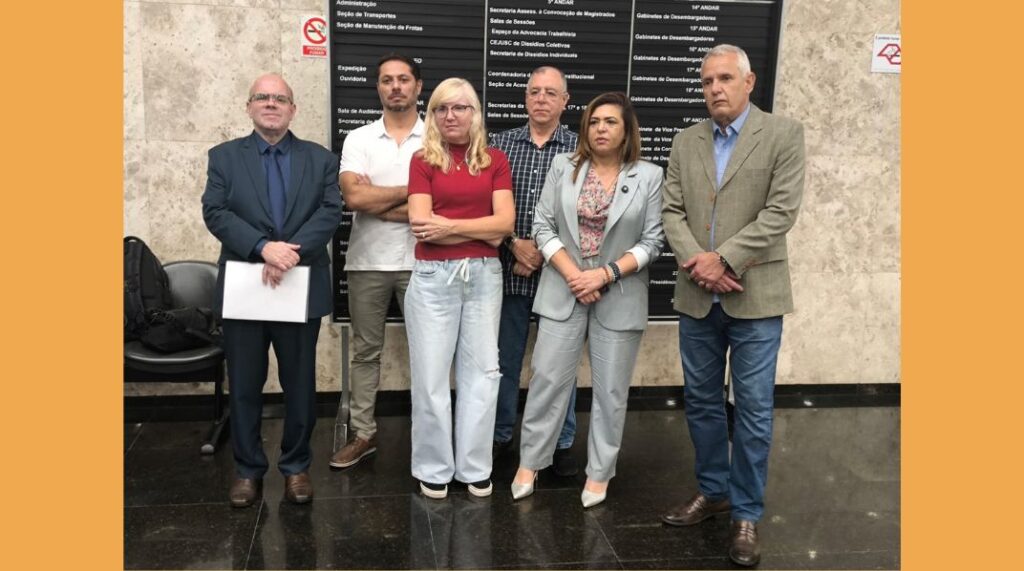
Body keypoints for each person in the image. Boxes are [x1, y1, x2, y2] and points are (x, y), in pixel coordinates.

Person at [659, 44, 805, 567]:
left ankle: (746, 513)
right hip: (697, 295)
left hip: (755, 297)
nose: (715, 88)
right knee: (700, 401)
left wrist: (722, 259)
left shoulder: (783, 134)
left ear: (749, 81)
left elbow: (780, 212)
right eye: (707, 81)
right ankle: (713, 490)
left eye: (724, 78)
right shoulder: (686, 140)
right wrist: (700, 264)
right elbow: (671, 211)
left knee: (754, 409)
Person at [510, 92, 665, 508]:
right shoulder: (564, 166)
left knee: (610, 391)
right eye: (594, 121)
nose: (600, 129)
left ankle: (599, 472)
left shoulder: (649, 176)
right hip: (564, 287)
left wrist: (605, 273)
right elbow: (542, 226)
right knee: (546, 379)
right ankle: (531, 462)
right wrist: (576, 276)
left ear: (626, 130)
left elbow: (653, 241)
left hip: (620, 293)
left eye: (610, 122)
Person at [201, 73, 343, 507]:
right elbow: (215, 211)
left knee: (300, 383)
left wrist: (287, 254)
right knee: (245, 383)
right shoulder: (224, 157)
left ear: (292, 110)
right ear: (248, 107)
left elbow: (330, 211)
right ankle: (248, 470)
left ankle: (296, 467)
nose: (270, 103)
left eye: (280, 98)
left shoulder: (321, 159)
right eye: (262, 97)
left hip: (299, 283)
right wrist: (263, 247)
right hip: (246, 286)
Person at [404, 77, 515, 499]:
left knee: (483, 374)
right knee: (431, 376)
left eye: (460, 107)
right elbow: (421, 225)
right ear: (432, 115)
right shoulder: (422, 161)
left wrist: (447, 226)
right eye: (441, 108)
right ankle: (433, 467)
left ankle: (474, 467)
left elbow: (504, 225)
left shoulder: (495, 160)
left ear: (475, 113)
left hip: (484, 277)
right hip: (433, 279)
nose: (450, 116)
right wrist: (480, 230)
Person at [330, 53, 423, 469]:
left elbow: (445, 203)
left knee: (430, 352)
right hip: (367, 261)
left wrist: (378, 202)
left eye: (403, 79)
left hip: (425, 261)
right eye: (387, 80)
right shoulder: (359, 139)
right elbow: (353, 197)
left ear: (418, 86)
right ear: (378, 88)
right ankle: (363, 433)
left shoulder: (437, 137)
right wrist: (415, 191)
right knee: (366, 352)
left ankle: (430, 434)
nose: (395, 87)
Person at [490, 66, 580, 475]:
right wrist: (515, 244)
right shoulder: (499, 144)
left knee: (558, 364)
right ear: (525, 98)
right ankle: (500, 434)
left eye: (550, 93)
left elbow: (589, 211)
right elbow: (483, 203)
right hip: (508, 270)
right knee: (503, 360)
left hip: (562, 275)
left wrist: (543, 251)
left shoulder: (581, 148)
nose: (541, 99)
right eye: (534, 92)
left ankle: (561, 440)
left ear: (565, 101)